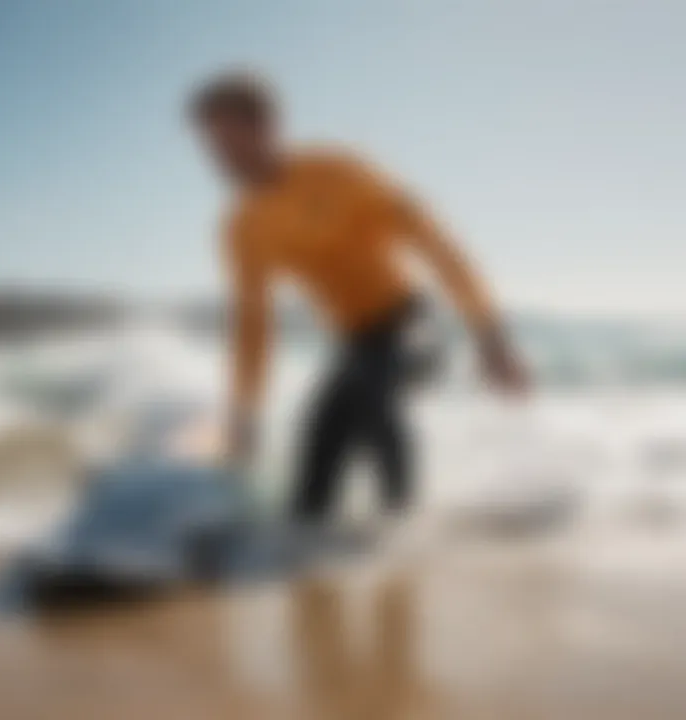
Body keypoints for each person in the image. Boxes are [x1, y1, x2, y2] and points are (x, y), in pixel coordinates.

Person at [187, 71, 527, 522]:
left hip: (410, 326)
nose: (222, 160)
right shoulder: (242, 227)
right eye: (213, 149)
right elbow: (253, 325)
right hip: (353, 344)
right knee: (312, 482)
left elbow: (434, 242)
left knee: (370, 389)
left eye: (231, 143)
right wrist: (244, 413)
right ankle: (307, 553)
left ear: (267, 127)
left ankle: (402, 533)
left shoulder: (339, 171)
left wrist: (490, 338)